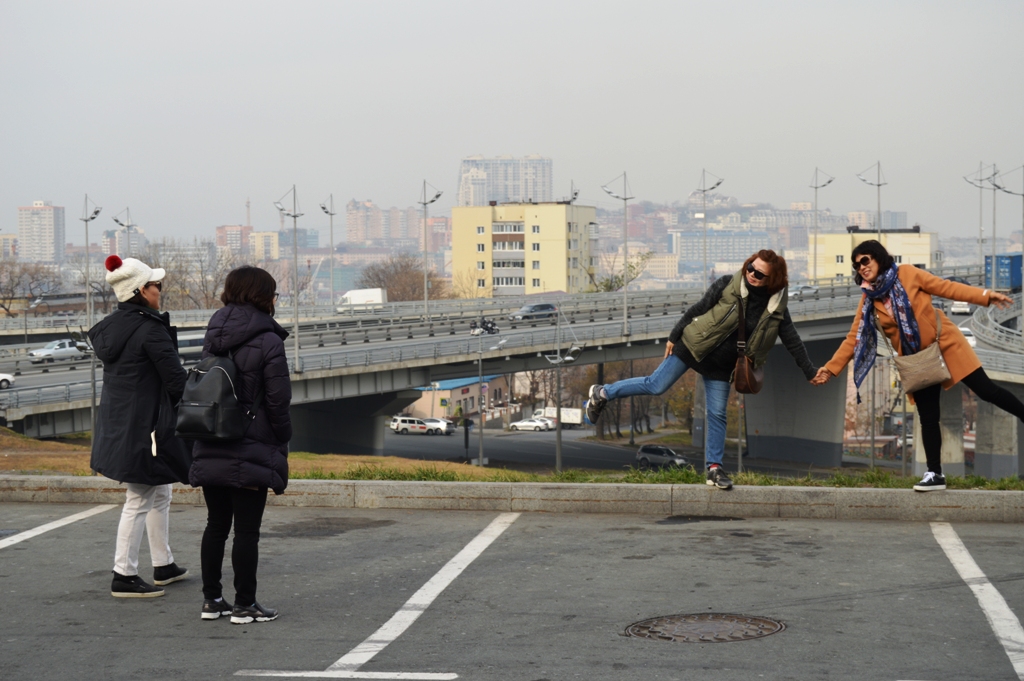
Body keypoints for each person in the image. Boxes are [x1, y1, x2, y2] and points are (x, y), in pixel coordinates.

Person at [586, 250, 818, 489]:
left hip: (722, 366)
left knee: (717, 414)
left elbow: (792, 341)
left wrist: (809, 371)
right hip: (693, 346)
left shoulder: (776, 307)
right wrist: (673, 337)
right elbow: (698, 308)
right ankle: (602, 393)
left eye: (759, 274)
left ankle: (714, 470)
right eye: (750, 267)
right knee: (655, 385)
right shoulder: (728, 283)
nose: (751, 274)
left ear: (773, 279)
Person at [812, 240, 1023, 491]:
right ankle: (935, 474)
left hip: (946, 344)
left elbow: (947, 288)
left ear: (878, 258)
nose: (861, 267)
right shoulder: (869, 300)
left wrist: (986, 297)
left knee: (987, 391)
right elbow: (854, 338)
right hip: (917, 359)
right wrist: (830, 368)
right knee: (929, 417)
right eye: (857, 265)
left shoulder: (908, 274)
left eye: (865, 260)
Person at [189, 266, 291, 624]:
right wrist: (281, 439)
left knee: (215, 524)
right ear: (263, 296)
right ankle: (245, 604)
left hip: (212, 437)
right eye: (274, 293)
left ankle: (211, 600)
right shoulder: (269, 340)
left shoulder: (215, 332)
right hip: (252, 444)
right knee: (247, 531)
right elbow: (278, 401)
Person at [90, 255, 191, 598]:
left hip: (121, 423)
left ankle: (163, 564)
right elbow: (175, 381)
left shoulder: (112, 327)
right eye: (156, 285)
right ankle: (124, 574)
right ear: (141, 291)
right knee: (140, 496)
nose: (160, 291)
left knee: (160, 490)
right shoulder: (150, 329)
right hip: (146, 426)